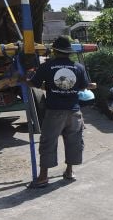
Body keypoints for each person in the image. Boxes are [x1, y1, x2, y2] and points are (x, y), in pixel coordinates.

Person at [26, 36, 90, 188]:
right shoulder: (79, 67)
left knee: (48, 141)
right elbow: (82, 87)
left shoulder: (47, 66)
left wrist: (23, 79)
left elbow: (34, 84)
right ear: (69, 52)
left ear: (54, 50)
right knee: (73, 141)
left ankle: (43, 177)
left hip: (54, 111)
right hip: (74, 112)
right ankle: (69, 171)